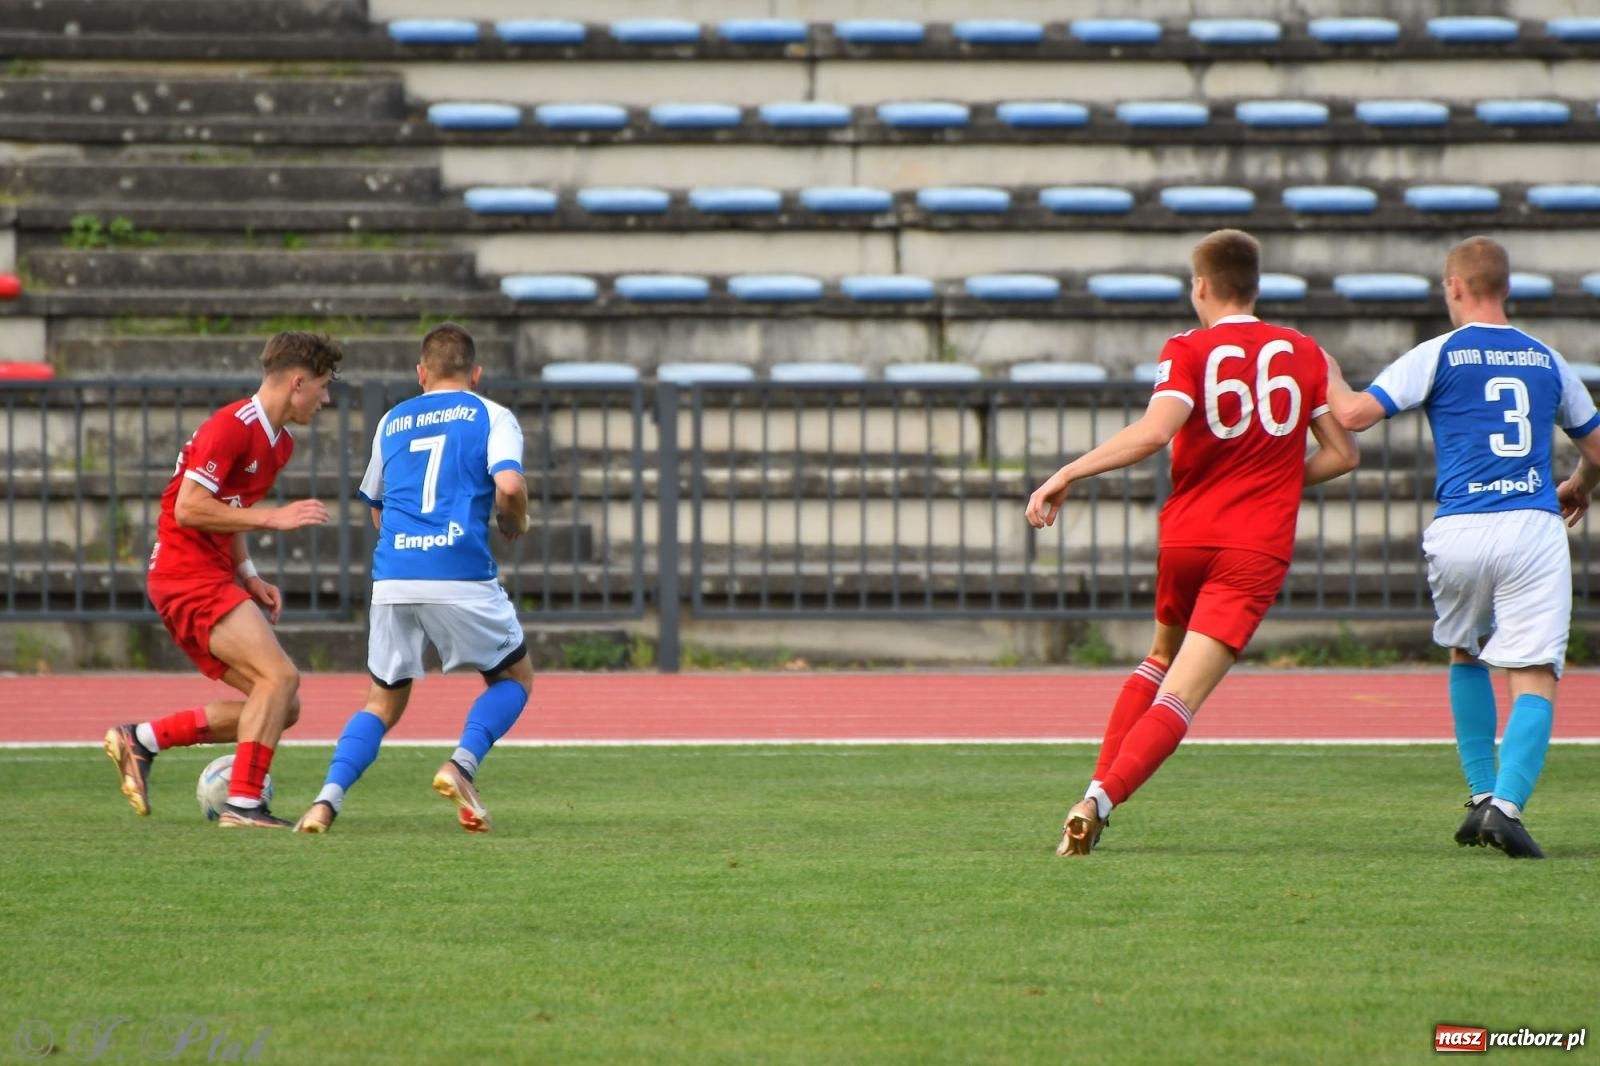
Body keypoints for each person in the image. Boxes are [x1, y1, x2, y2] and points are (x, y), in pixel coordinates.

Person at [1026, 229, 1359, 857]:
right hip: (1254, 547)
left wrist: (1067, 472)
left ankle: (1094, 787)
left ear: (1200, 286)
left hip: (1187, 536)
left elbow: (1156, 432)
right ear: (1255, 286)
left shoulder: (1187, 348)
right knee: (1181, 695)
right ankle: (1098, 802)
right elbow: (1343, 453)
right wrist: (1271, 480)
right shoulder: (1303, 351)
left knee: (1159, 657)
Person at [1325, 236, 1600, 859]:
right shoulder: (1548, 360)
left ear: (1454, 287)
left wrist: (1328, 373)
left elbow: (1355, 415)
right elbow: (1596, 448)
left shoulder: (1438, 352)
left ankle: (1480, 795)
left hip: (1460, 528)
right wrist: (1580, 485)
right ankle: (1507, 807)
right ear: (1506, 288)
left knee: (1465, 650)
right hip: (1530, 526)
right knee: (1534, 673)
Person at [295, 323, 531, 834]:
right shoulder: (492, 415)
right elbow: (509, 486)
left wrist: (410, 546)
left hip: (394, 576)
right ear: (476, 374)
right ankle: (461, 765)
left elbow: (377, 506)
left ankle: (324, 802)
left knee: (382, 702)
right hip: (459, 572)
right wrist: (515, 520)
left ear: (421, 373)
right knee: (514, 678)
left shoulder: (392, 420)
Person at [104, 331, 344, 828]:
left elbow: (230, 509)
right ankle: (244, 804)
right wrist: (273, 519)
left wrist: (248, 573)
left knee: (280, 703)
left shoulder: (279, 444)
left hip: (209, 574)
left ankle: (141, 740)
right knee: (280, 678)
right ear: (298, 382)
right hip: (185, 574)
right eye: (322, 387)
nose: (325, 399)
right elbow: (190, 508)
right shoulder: (231, 427)